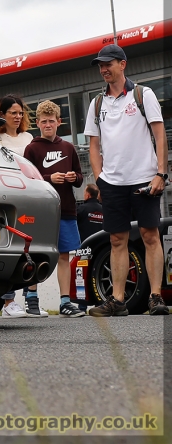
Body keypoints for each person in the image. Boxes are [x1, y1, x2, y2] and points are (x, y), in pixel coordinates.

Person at [84, 44, 169, 316]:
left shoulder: (144, 95)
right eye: (100, 64)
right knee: (117, 240)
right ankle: (117, 301)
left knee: (150, 236)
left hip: (144, 179)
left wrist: (161, 173)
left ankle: (156, 297)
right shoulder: (97, 103)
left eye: (108, 63)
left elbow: (160, 136)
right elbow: (93, 147)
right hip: (112, 183)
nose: (103, 69)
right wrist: (100, 181)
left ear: (123, 64)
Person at [23, 100, 84, 317]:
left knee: (65, 256)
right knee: (36, 254)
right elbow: (27, 178)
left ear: (59, 122)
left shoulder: (68, 147)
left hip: (66, 209)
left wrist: (72, 177)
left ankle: (65, 302)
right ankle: (31, 297)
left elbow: (80, 177)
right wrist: (49, 178)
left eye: (51, 121)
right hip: (42, 211)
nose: (48, 125)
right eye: (43, 121)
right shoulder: (31, 149)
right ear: (37, 123)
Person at [0, 93, 36, 317]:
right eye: (13, 113)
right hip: (6, 196)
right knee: (9, 245)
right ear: (2, 114)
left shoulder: (29, 138)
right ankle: (8, 302)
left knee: (28, 248)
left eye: (20, 113)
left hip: (28, 195)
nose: (18, 117)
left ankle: (29, 299)